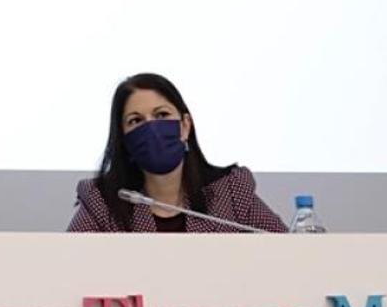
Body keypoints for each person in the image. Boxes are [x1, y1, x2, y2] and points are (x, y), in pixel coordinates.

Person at [68, 73, 286, 233]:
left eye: (161, 115)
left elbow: (293, 254)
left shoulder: (231, 192)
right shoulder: (104, 202)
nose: (151, 129)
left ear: (185, 126)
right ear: (123, 139)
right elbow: (67, 266)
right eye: (136, 121)